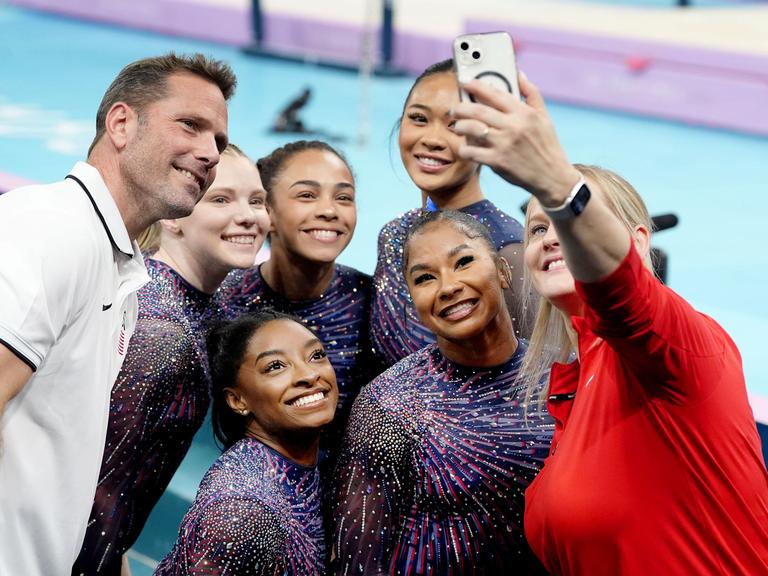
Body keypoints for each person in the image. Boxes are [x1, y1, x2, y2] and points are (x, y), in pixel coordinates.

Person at [451, 74, 768, 573]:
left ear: (639, 242)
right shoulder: (574, 383)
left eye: (567, 224)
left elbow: (619, 290)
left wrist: (555, 182)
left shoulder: (679, 344)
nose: (551, 238)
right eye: (537, 228)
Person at [0, 53, 235, 575]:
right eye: (191, 126)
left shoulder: (118, 269)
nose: (209, 153)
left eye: (217, 141)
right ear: (122, 123)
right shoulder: (53, 229)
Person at [73, 144, 269, 575]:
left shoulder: (199, 308)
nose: (249, 216)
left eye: (257, 200)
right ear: (173, 216)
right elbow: (89, 489)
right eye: (220, 199)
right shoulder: (162, 332)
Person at [332, 210, 552, 574]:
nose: (448, 287)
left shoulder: (563, 373)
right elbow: (358, 559)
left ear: (503, 270)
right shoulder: (389, 406)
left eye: (463, 262)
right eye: (425, 278)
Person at [369, 59, 528, 368]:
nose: (432, 139)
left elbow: (540, 379)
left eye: (455, 124)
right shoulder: (394, 236)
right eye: (418, 118)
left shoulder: (511, 250)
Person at [155, 309, 337, 575]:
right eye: (276, 366)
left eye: (316, 355)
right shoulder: (242, 510)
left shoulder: (319, 470)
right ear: (237, 400)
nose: (308, 375)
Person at [220, 140, 373, 452]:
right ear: (267, 213)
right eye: (307, 195)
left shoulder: (374, 303)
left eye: (344, 197)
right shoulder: (226, 301)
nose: (330, 210)